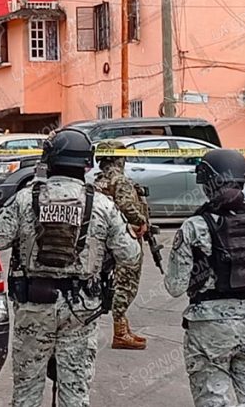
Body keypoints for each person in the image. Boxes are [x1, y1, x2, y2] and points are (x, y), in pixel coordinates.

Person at [0, 129, 140, 407]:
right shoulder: (102, 204)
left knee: (26, 393)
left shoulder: (25, 199)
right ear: (87, 164)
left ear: (48, 160)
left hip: (34, 307)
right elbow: (130, 255)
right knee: (75, 393)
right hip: (80, 311)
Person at [164, 149, 245, 407]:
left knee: (213, 400)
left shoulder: (194, 227)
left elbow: (175, 287)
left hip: (208, 330)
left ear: (208, 185)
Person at [93, 139, 151, 350]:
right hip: (123, 240)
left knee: (110, 282)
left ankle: (123, 328)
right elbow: (127, 205)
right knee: (127, 283)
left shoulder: (99, 181)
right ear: (119, 158)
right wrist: (140, 221)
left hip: (103, 240)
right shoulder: (120, 180)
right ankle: (120, 331)